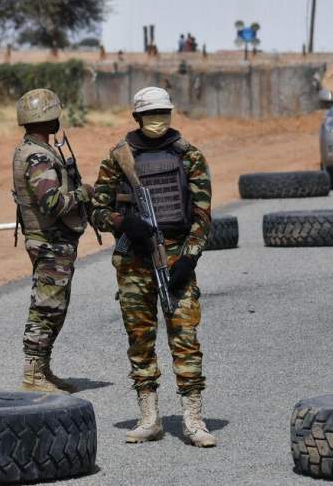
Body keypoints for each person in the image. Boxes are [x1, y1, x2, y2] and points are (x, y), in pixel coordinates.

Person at [90, 87, 216, 447]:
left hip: (176, 254)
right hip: (134, 261)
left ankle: (193, 418)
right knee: (140, 339)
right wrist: (123, 222)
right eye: (150, 114)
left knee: (185, 338)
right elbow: (96, 208)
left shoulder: (189, 156)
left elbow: (203, 216)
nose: (157, 120)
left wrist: (189, 258)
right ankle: (149, 416)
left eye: (163, 113)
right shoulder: (118, 158)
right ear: (137, 118)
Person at [11, 89, 94, 393]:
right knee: (46, 308)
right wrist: (83, 193)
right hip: (49, 242)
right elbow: (53, 203)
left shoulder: (36, 150)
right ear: (47, 117)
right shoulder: (38, 156)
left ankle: (42, 370)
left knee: (55, 307)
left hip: (51, 241)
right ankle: (33, 375)